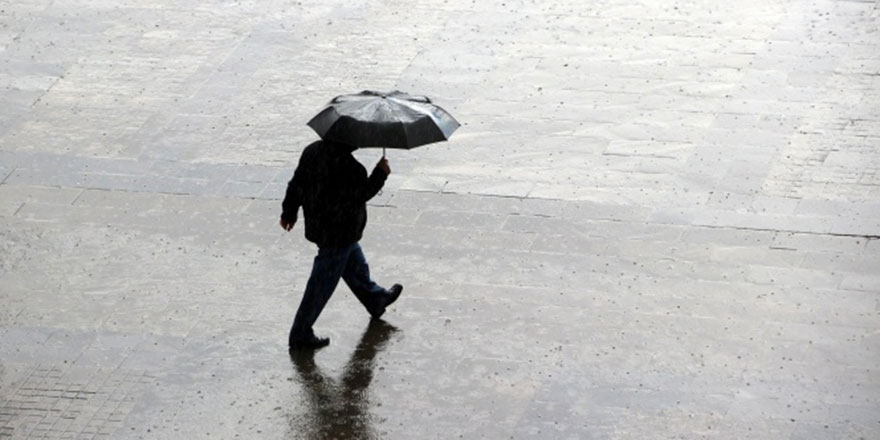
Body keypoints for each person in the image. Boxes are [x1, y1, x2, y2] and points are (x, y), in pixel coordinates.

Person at [280, 139, 402, 350]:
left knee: (354, 262)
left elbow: (297, 184)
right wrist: (381, 174)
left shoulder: (312, 151)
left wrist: (289, 212)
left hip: (321, 226)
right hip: (340, 232)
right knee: (321, 283)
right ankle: (300, 333)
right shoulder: (351, 169)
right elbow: (361, 194)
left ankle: (376, 298)